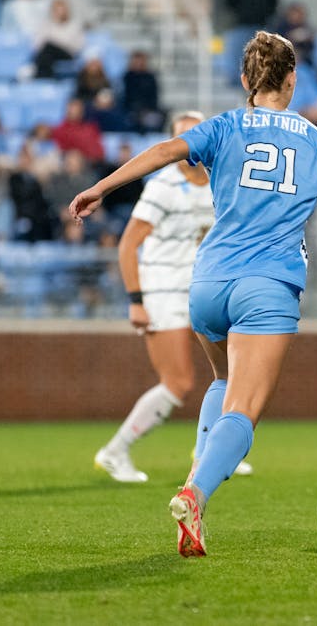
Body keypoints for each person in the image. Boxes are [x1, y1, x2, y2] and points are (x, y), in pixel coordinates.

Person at [69, 31, 317, 557]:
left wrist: (102, 187)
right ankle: (195, 491)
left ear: (244, 81)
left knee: (222, 378)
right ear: (293, 80)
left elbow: (167, 150)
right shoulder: (315, 139)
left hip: (208, 281)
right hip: (267, 285)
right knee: (245, 411)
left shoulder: (227, 125)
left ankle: (197, 486)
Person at [92, 111, 244, 482]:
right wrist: (136, 300)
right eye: (181, 136)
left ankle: (210, 451)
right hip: (164, 290)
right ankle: (115, 451)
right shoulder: (162, 185)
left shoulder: (216, 183)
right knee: (178, 382)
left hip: (201, 287)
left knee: (226, 373)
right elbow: (129, 244)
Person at [33, 0, 85, 79]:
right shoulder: (46, 24)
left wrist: (57, 43)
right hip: (48, 53)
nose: (59, 13)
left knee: (49, 47)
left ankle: (40, 76)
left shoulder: (74, 26)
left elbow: (78, 46)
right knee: (47, 52)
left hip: (67, 53)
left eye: (61, 10)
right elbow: (37, 44)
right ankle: (45, 77)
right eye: (56, 10)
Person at [122, 51, 164, 133]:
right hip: (130, 111)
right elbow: (126, 97)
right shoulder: (127, 77)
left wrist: (148, 109)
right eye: (137, 61)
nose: (139, 63)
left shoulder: (150, 77)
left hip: (148, 110)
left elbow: (154, 97)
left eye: (141, 61)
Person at [275, 1, 315, 66]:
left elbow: (311, 47)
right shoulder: (281, 27)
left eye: (298, 14)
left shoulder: (306, 27)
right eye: (294, 14)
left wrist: (306, 39)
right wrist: (291, 37)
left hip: (303, 60)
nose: (296, 16)